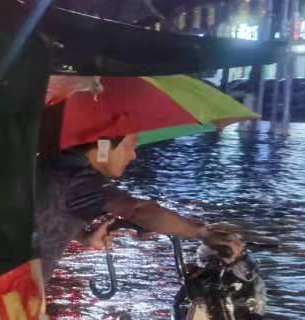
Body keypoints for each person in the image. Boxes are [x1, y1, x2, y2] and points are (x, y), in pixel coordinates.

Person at [34, 109, 244, 282]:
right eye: (131, 144)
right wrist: (202, 233)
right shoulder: (81, 178)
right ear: (104, 145)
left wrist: (84, 236)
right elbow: (137, 210)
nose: (133, 155)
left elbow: (43, 215)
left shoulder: (52, 164)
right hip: (12, 296)